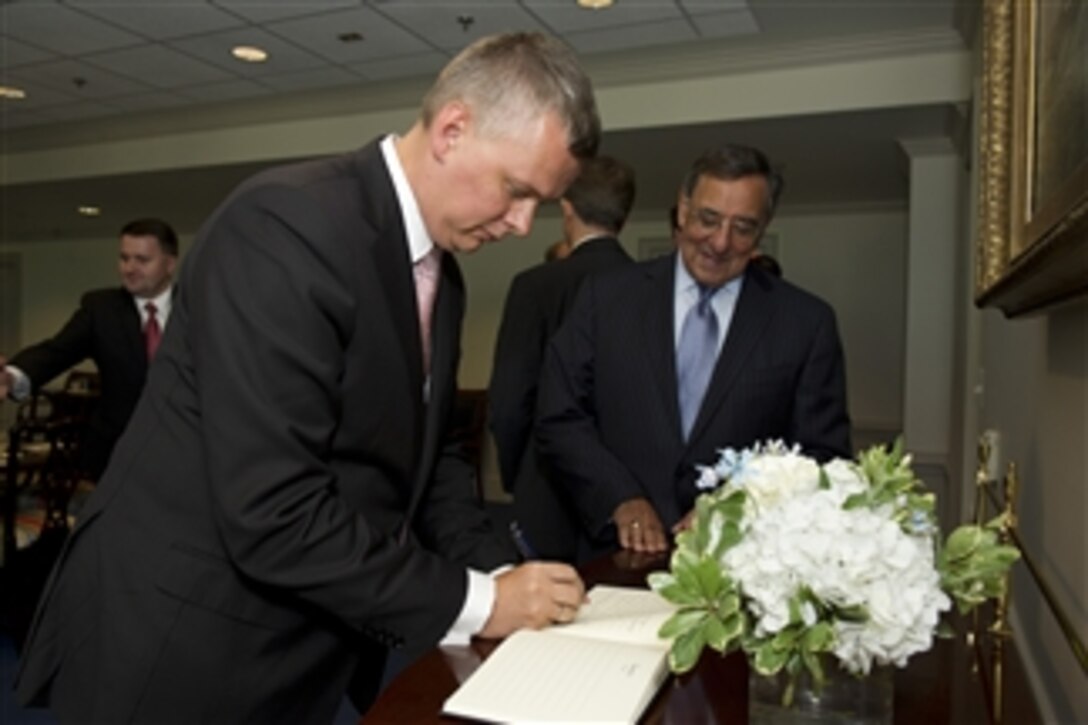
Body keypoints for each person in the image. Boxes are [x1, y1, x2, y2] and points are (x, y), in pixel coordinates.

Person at [15, 32, 600, 723]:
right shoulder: (286, 226)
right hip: (182, 643)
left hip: (302, 636)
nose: (524, 224)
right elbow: (274, 510)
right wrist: (479, 601)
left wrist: (498, 570)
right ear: (452, 130)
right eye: (516, 191)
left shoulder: (443, 273)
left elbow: (429, 456)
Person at [536, 144, 851, 561]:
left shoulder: (806, 323)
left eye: (742, 227)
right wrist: (620, 497)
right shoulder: (606, 299)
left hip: (742, 563)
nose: (720, 242)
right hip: (612, 555)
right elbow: (559, 415)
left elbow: (821, 456)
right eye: (708, 219)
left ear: (762, 229)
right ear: (682, 210)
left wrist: (735, 509)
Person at [488, 155, 636, 560]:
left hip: (544, 480)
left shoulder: (536, 286)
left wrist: (518, 474)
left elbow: (510, 398)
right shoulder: (651, 290)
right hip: (627, 490)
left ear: (567, 209)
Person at [0, 217, 179, 481]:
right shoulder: (101, 309)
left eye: (142, 260)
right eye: (124, 258)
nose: (129, 268)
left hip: (183, 453)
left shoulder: (198, 308)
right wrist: (13, 376)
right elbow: (56, 352)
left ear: (169, 264)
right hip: (116, 456)